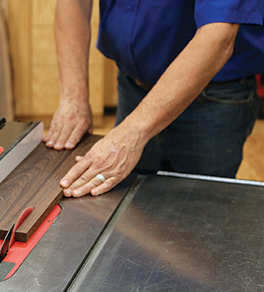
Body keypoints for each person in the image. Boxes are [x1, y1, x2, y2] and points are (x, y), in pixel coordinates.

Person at [44, 0, 264, 198]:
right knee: (128, 216)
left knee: (195, 223)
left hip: (212, 101)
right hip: (133, 88)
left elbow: (219, 34)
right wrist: (74, 98)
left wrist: (130, 135)